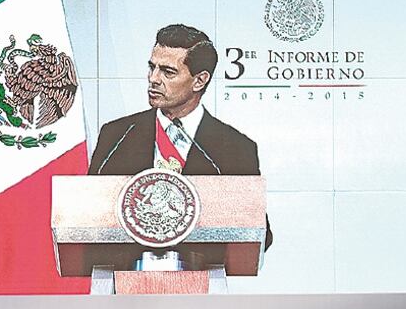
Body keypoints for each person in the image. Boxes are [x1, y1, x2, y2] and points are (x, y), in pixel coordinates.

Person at [87, 23, 271, 248]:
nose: (154, 79)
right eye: (152, 67)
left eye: (168, 72)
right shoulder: (116, 135)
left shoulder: (235, 147)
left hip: (201, 267)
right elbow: (88, 215)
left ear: (199, 80)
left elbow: (258, 233)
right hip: (127, 267)